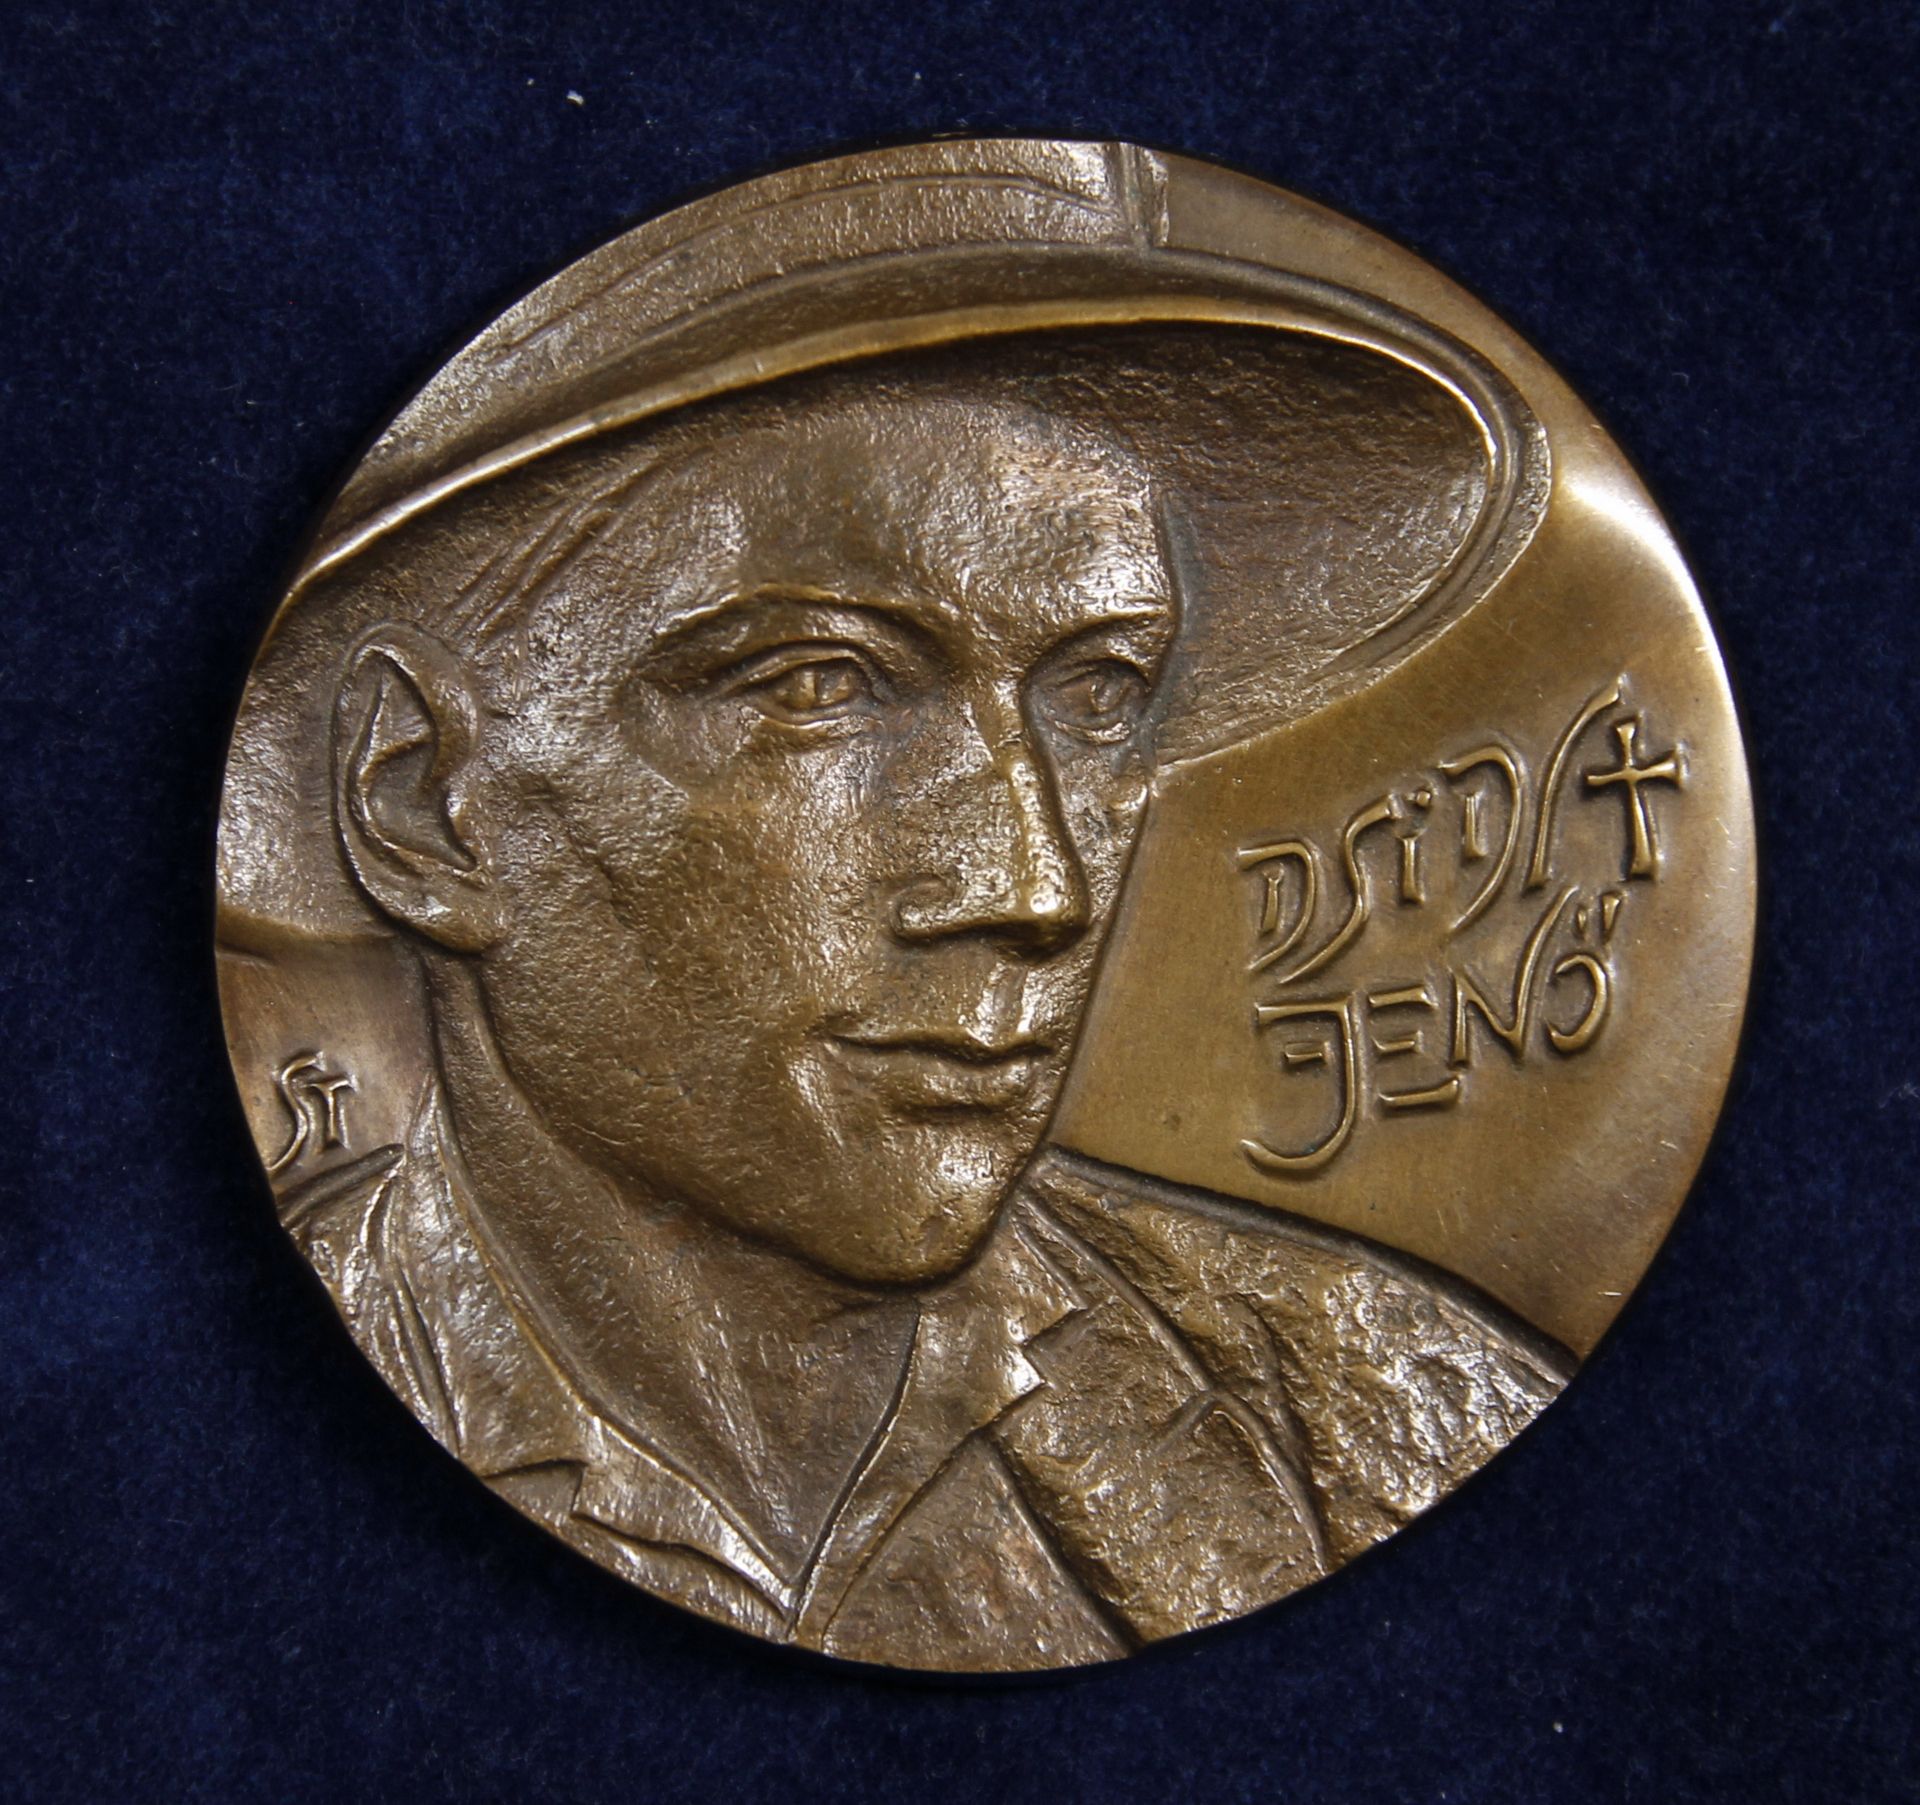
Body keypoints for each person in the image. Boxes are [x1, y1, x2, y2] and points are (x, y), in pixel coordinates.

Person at [271, 362, 1570, 1671]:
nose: (1039, 886)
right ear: (422, 804)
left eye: (1099, 696)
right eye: (818, 688)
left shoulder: (1371, 1405)